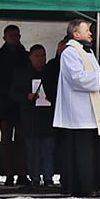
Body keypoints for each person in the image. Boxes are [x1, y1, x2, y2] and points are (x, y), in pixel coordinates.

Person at [53, 17, 100, 197]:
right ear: (75, 33)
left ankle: (95, 185)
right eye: (87, 30)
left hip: (91, 111)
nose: (90, 33)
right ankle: (83, 187)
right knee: (82, 152)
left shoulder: (86, 52)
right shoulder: (70, 52)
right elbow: (77, 78)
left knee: (93, 151)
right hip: (79, 113)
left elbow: (93, 76)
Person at [0, 24, 31, 186]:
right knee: (6, 141)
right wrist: (13, 92)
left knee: (22, 140)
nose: (15, 38)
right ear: (4, 38)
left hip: (22, 104)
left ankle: (22, 172)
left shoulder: (25, 56)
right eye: (12, 36)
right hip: (6, 104)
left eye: (17, 35)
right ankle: (8, 173)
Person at [19, 44, 57, 188]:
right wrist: (26, 96)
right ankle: (34, 177)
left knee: (48, 148)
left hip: (47, 117)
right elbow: (14, 92)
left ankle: (48, 176)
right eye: (37, 56)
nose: (41, 59)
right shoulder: (22, 73)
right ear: (30, 57)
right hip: (30, 117)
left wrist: (52, 97)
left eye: (43, 56)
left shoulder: (51, 72)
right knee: (32, 149)